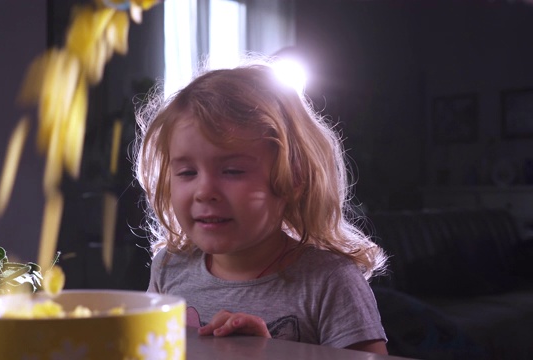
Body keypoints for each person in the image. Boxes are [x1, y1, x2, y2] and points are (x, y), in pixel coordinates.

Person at [134, 59, 389, 354]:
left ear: (293, 177)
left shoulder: (331, 282)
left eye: (232, 171)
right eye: (187, 173)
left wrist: (271, 352)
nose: (204, 192)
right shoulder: (168, 267)